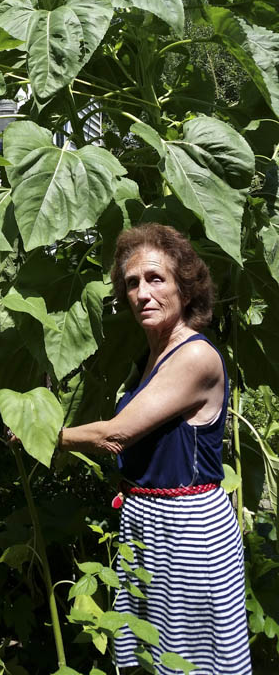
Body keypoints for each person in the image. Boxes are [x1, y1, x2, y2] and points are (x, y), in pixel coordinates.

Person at [59, 223, 251, 675]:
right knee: (149, 650)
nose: (142, 292)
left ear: (185, 287)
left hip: (187, 530)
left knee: (188, 657)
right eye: (132, 283)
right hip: (147, 520)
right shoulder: (155, 353)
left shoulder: (194, 357)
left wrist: (48, 436)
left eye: (155, 279)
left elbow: (117, 434)